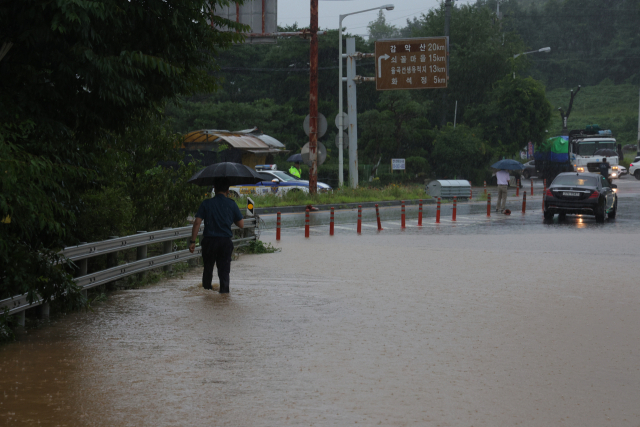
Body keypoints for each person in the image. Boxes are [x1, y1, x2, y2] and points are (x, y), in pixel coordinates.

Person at [189, 179, 244, 294]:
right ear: (228, 190)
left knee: (208, 269)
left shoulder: (206, 203)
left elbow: (197, 223)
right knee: (224, 272)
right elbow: (241, 225)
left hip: (209, 242)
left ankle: (206, 294)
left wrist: (193, 241)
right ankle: (224, 295)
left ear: (214, 188)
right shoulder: (231, 204)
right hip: (225, 242)